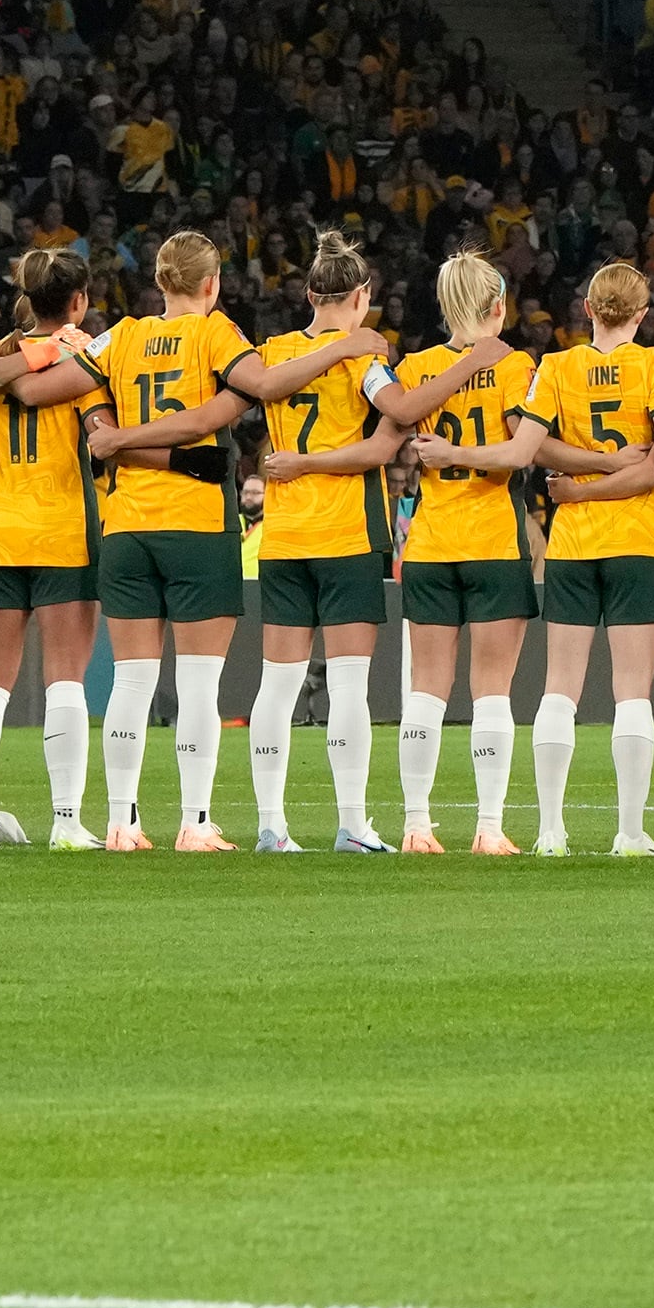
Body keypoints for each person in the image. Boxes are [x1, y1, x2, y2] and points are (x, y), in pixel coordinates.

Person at [85, 231, 263, 853]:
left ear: (160, 282)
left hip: (128, 524)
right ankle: (194, 822)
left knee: (131, 682)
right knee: (198, 685)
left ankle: (120, 823)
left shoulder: (125, 335)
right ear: (211, 284)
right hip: (196, 524)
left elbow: (80, 383)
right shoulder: (217, 333)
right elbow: (248, 391)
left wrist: (106, 431)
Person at [378, 254, 543, 854]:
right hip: (493, 542)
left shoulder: (418, 366)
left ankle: (417, 825)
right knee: (492, 689)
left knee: (426, 689)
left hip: (428, 541)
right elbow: (515, 454)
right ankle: (489, 827)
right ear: (497, 306)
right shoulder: (513, 363)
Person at [526, 262, 654, 856]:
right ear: (643, 315)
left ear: (588, 309)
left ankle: (549, 832)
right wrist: (614, 465)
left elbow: (534, 442)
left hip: (571, 544)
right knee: (632, 695)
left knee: (557, 691)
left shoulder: (556, 366)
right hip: (635, 546)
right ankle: (628, 832)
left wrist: (578, 484)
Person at [245, 234, 403, 851]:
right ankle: (352, 825)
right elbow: (394, 420)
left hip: (283, 535)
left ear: (310, 294)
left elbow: (263, 388)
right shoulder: (364, 360)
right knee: (348, 687)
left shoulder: (274, 351)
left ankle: (269, 824)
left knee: (275, 686)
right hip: (347, 532)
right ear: (362, 296)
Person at [0, 251, 114, 847]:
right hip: (63, 529)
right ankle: (68, 824)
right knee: (66, 680)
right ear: (77, 301)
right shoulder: (83, 359)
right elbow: (99, 437)